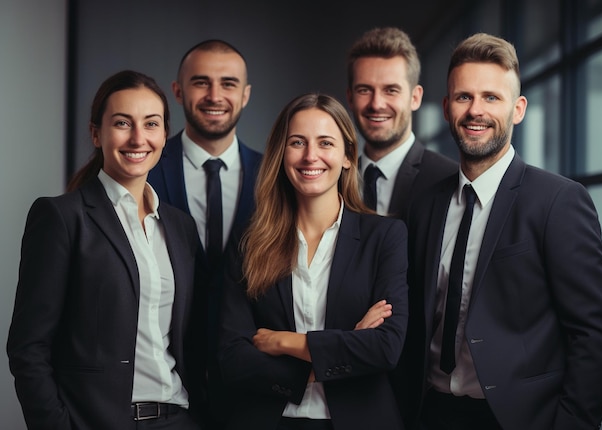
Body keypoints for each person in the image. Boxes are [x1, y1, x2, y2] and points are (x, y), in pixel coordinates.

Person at [401, 33, 602, 430]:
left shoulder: (558, 202)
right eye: (464, 97)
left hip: (519, 420)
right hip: (430, 413)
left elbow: (595, 334)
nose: (476, 111)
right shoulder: (425, 205)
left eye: (491, 97)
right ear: (446, 106)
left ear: (518, 109)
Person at [7, 70, 205, 429]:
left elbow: (192, 340)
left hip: (178, 419)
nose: (138, 137)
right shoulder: (62, 218)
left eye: (151, 124)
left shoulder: (180, 228)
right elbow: (28, 348)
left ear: (164, 135)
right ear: (96, 133)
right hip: (98, 421)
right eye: (122, 123)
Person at [218, 93, 409, 430]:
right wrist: (341, 349)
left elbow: (385, 347)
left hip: (360, 420)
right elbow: (232, 356)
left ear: (348, 156)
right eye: (297, 143)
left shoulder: (385, 237)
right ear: (281, 154)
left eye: (325, 143)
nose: (310, 156)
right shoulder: (248, 241)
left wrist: (285, 342)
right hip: (267, 420)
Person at [147, 39, 263, 428]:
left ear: (245, 95)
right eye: (201, 82)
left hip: (254, 387)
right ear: (177, 91)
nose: (215, 95)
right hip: (165, 387)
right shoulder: (143, 169)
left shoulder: (276, 178)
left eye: (228, 84)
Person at [346, 26, 457, 217]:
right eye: (364, 90)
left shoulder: (449, 181)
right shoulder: (336, 181)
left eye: (391, 90)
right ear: (350, 98)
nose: (376, 104)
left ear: (415, 97)